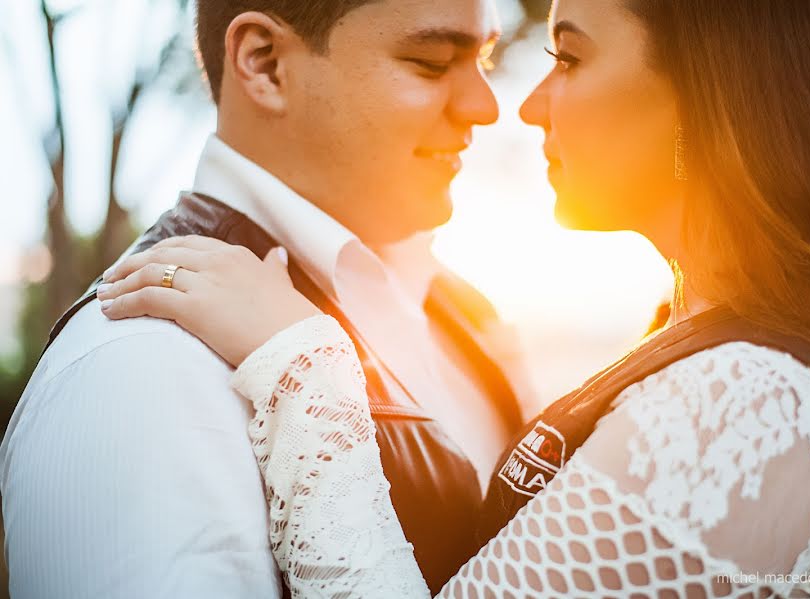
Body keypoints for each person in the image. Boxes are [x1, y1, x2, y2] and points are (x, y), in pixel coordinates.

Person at [97, 0, 810, 596]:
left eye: (571, 58)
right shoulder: (736, 354)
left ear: (711, 90)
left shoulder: (746, 403)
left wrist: (306, 365)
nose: (520, 103)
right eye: (429, 63)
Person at [0, 1, 533, 596]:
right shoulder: (144, 362)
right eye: (432, 63)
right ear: (264, 64)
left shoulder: (464, 313)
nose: (485, 106)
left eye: (483, 58)